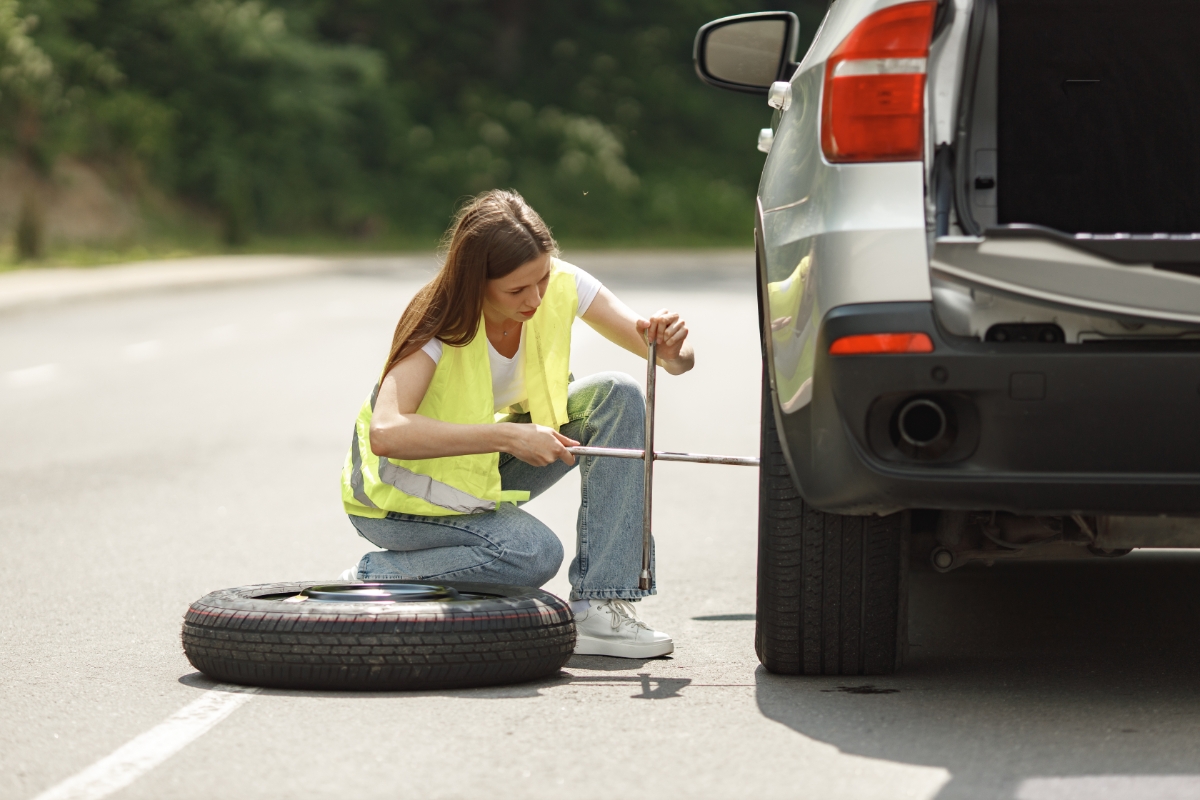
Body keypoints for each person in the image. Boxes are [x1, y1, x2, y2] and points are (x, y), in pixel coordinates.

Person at [339, 189, 693, 658]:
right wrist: (508, 435)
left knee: (617, 393)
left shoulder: (560, 284)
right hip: (395, 500)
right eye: (517, 290)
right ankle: (374, 573)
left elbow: (671, 360)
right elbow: (386, 433)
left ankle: (600, 609)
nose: (536, 298)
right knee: (533, 554)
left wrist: (669, 348)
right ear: (476, 282)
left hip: (474, 472)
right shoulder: (436, 320)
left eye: (542, 279)